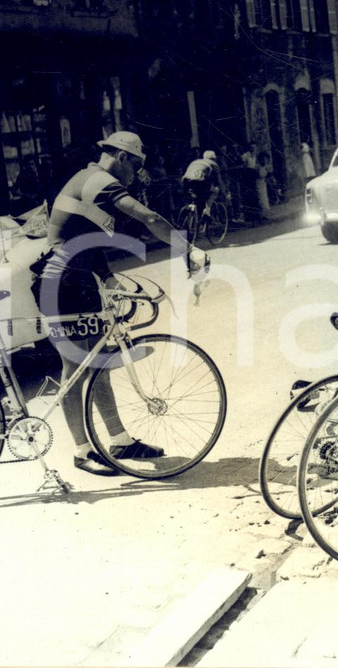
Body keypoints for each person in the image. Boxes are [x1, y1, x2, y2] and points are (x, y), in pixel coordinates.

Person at [35, 131, 209, 476]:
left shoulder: (92, 182)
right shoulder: (98, 180)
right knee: (75, 370)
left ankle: (120, 440)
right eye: (137, 165)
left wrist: (109, 279)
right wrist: (188, 249)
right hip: (60, 283)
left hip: (79, 279)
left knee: (99, 364)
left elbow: (85, 239)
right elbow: (150, 218)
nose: (138, 174)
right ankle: (81, 451)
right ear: (124, 158)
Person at [181, 149, 225, 219]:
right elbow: (219, 180)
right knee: (215, 190)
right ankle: (207, 211)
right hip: (199, 183)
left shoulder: (196, 161)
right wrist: (224, 191)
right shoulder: (213, 164)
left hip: (185, 182)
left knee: (194, 197)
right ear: (214, 158)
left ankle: (190, 210)